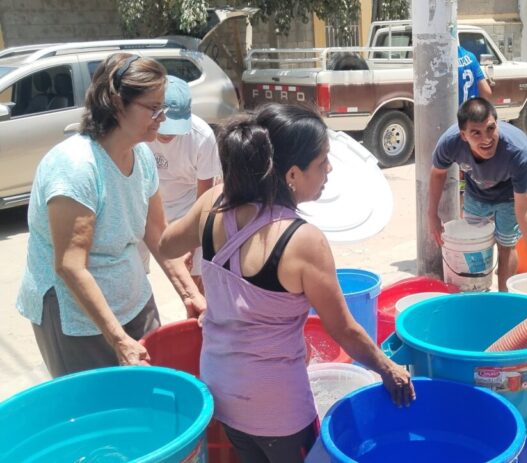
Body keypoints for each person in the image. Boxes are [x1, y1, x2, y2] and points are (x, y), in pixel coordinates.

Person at [159, 104, 415, 463]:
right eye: (323, 161)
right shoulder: (303, 240)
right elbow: (344, 330)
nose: (329, 169)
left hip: (221, 387)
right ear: (292, 174)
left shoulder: (213, 203)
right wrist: (389, 370)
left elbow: (167, 244)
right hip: (276, 408)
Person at [15, 53, 205, 378]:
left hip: (130, 293)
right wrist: (118, 339)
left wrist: (192, 295)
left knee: (146, 388)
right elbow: (70, 266)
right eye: (153, 108)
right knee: (96, 406)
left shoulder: (142, 156)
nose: (162, 117)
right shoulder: (77, 167)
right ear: (117, 103)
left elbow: (159, 236)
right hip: (73, 312)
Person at [428, 97, 527, 292]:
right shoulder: (450, 143)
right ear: (463, 135)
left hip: (510, 196)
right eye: (476, 133)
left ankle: (503, 298)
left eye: (491, 129)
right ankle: (475, 295)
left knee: (506, 246)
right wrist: (432, 215)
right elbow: (437, 174)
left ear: (497, 123)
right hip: (476, 194)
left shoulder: (517, 151)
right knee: (472, 245)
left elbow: (524, 206)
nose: (486, 139)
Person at [144, 76, 221, 292]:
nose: (168, 134)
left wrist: (192, 243)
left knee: (197, 280)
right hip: (146, 205)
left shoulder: (202, 136)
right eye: (165, 126)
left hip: (188, 208)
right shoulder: (139, 131)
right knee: (135, 272)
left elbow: (204, 201)